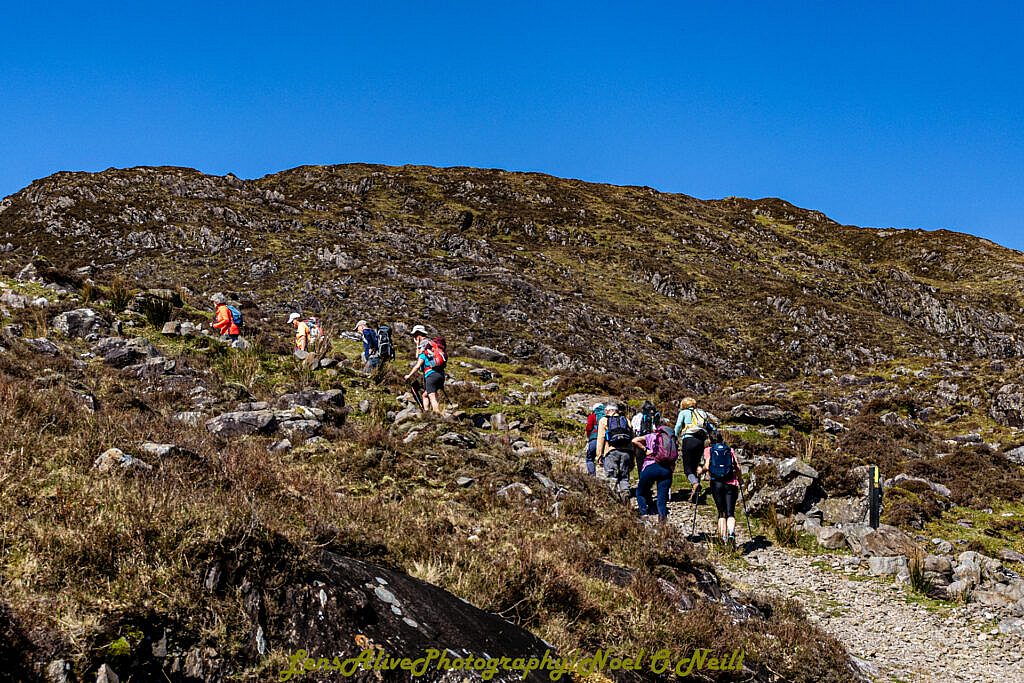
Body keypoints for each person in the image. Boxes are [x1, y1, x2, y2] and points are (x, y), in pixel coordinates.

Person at [699, 431, 743, 546]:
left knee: (721, 512)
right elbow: (737, 466)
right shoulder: (729, 449)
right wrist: (740, 479)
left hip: (716, 483)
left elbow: (707, 466)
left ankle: (723, 539)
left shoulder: (708, 450)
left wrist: (701, 470)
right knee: (730, 512)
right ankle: (732, 534)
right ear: (721, 438)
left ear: (710, 440)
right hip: (731, 483)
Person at [632, 412, 676, 522]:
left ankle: (644, 514)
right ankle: (662, 520)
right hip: (666, 470)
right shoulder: (672, 440)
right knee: (662, 498)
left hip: (650, 467)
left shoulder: (651, 436)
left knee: (640, 492)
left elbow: (634, 440)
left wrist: (646, 450)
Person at [674, 397, 719, 504]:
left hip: (688, 439)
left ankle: (694, 484)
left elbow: (678, 425)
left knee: (688, 468)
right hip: (700, 441)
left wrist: (674, 437)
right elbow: (710, 427)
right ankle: (695, 493)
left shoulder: (684, 412)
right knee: (696, 465)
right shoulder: (701, 413)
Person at [595, 403, 634, 499]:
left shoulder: (604, 420)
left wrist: (599, 455)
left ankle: (614, 500)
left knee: (611, 477)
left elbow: (601, 438)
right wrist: (632, 455)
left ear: (608, 411)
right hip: (626, 452)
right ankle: (625, 493)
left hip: (611, 451)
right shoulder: (626, 420)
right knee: (624, 476)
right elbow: (632, 438)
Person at [403, 324, 445, 413]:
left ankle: (437, 414)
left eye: (415, 334)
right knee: (425, 395)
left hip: (431, 374)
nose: (414, 336)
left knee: (432, 396)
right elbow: (417, 355)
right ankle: (426, 413)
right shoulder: (431, 345)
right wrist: (417, 344)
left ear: (418, 334)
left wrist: (409, 375)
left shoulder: (424, 348)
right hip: (440, 374)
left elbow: (418, 364)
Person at [584, 402, 605, 476]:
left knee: (589, 458)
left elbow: (589, 427)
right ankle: (610, 477)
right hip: (605, 441)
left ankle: (592, 477)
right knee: (605, 458)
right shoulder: (606, 416)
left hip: (594, 439)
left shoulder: (592, 416)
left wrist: (589, 436)